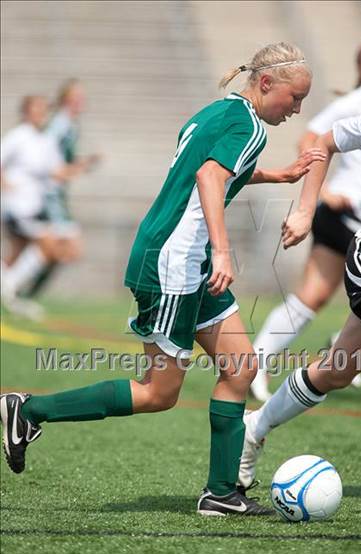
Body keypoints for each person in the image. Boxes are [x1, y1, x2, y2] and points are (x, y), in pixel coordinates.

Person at [0, 42, 326, 516]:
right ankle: (27, 411)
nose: (297, 110)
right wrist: (221, 249)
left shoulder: (216, 113)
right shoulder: (249, 125)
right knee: (158, 392)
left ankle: (220, 493)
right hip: (176, 262)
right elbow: (210, 180)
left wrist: (278, 176)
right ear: (266, 83)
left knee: (240, 368)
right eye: (294, 98)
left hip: (179, 257)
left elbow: (209, 168)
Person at [239, 43, 361, 498]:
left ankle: (254, 427)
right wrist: (305, 209)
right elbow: (320, 142)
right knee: (311, 299)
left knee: (336, 371)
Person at [250, 39, 361, 402]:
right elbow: (311, 139)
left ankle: (340, 346)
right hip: (343, 216)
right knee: (312, 297)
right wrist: (324, 192)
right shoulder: (353, 104)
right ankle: (256, 366)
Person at [1, 95, 88, 317]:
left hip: (35, 208)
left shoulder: (45, 141)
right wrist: (6, 185)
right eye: (36, 109)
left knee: (18, 253)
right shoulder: (18, 136)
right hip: (17, 208)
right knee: (49, 244)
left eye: (43, 109)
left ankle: (12, 292)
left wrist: (78, 167)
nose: (41, 114)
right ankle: (10, 289)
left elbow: (56, 172)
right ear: (26, 112)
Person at [24, 79, 100, 298]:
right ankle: (13, 284)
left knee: (59, 251)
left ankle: (22, 292)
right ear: (66, 100)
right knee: (69, 249)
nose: (81, 102)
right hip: (49, 195)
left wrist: (81, 164)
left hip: (56, 194)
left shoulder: (69, 125)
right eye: (77, 98)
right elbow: (46, 157)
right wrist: (73, 168)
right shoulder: (61, 125)